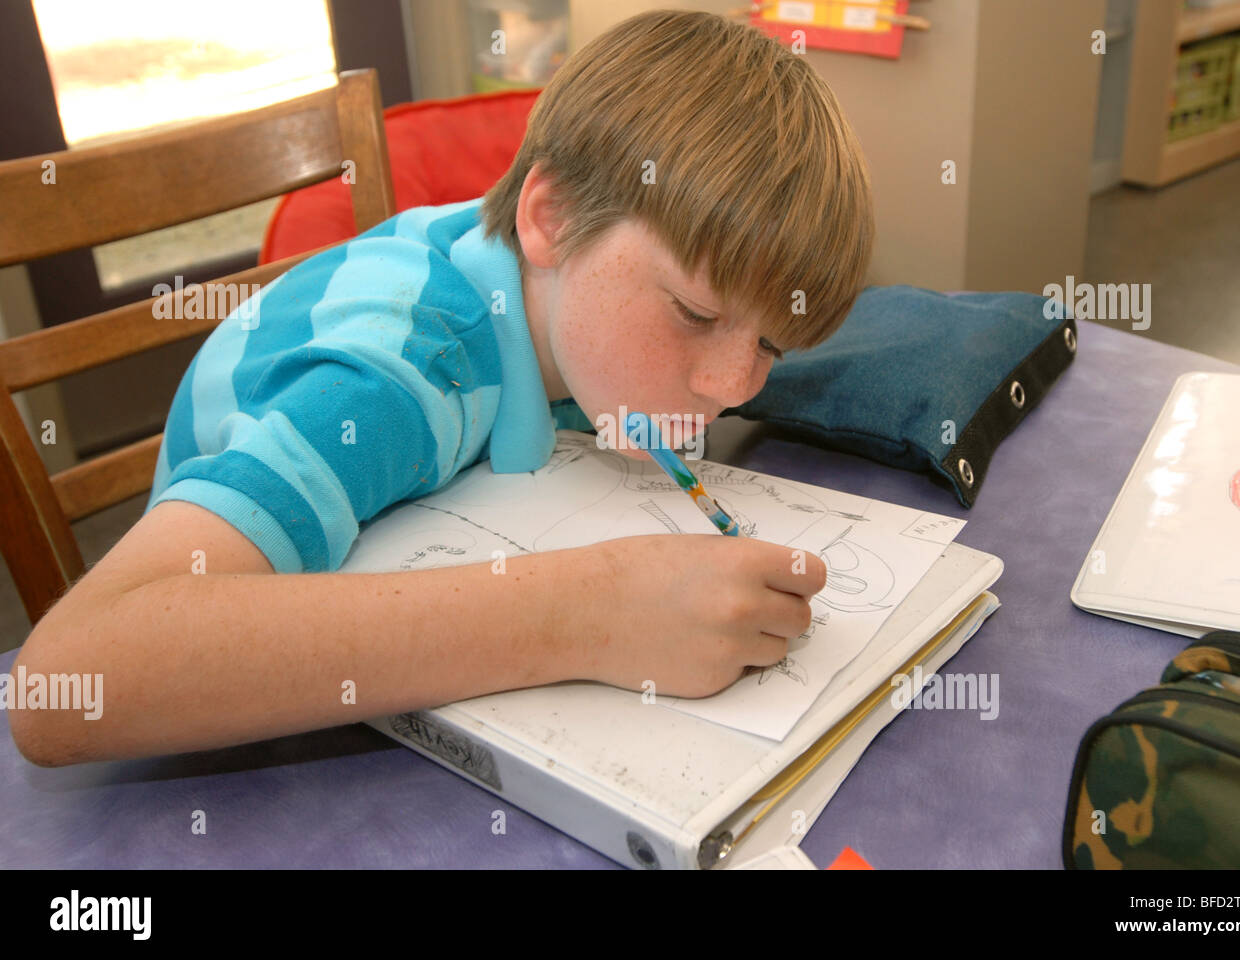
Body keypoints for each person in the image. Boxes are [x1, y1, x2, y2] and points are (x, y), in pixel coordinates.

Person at [11, 10, 873, 767]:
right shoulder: (400, 375)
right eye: (692, 312)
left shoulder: (574, 318)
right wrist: (592, 613)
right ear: (553, 219)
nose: (732, 384)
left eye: (769, 343)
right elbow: (65, 684)